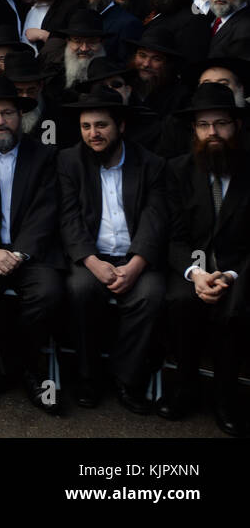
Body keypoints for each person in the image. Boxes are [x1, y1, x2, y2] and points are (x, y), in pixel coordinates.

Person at [58, 89, 168, 414]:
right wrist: (92, 261)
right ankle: (88, 376)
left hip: (136, 257)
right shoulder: (68, 161)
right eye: (86, 126)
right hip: (90, 256)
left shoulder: (151, 164)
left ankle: (126, 378)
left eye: (101, 125)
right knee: (79, 289)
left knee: (151, 294)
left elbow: (155, 217)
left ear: (120, 125)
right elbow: (68, 217)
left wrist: (136, 265)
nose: (93, 133)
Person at [0, 76, 64, 415]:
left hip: (31, 251)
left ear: (21, 116)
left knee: (49, 292)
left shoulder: (44, 154)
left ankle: (9, 367)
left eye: (7, 112)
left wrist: (20, 253)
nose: (0, 121)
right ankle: (27, 370)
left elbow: (47, 209)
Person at [161, 83, 249, 436]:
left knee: (234, 310)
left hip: (241, 269)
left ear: (236, 126)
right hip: (193, 270)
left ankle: (226, 396)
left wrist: (227, 274)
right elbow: (174, 236)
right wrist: (197, 273)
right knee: (178, 301)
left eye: (221, 123)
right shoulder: (178, 171)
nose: (212, 132)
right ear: (194, 130)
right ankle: (184, 387)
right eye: (203, 125)